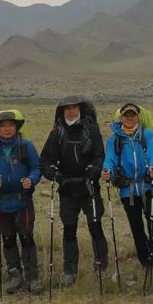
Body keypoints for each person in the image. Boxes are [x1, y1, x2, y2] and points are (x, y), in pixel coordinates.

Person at [40, 95, 107, 287]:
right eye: (67, 108)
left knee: (95, 225)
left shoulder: (91, 130)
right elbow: (45, 159)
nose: (70, 111)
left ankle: (101, 264)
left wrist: (95, 170)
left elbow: (100, 155)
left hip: (89, 187)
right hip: (67, 188)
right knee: (69, 229)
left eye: (74, 108)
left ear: (80, 109)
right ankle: (69, 270)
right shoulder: (57, 133)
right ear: (62, 111)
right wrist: (53, 173)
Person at [0, 110, 43, 295]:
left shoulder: (26, 146)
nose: (7, 129)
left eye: (11, 125)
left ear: (16, 127)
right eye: (3, 126)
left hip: (23, 201)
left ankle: (32, 277)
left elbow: (36, 167)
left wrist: (32, 179)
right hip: (1, 203)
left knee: (27, 238)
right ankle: (15, 275)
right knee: (8, 239)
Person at [101, 103, 153, 276]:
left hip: (149, 187)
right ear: (120, 118)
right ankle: (146, 263)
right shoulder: (114, 139)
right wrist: (107, 170)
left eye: (133, 115)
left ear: (138, 117)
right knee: (136, 228)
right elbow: (110, 159)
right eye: (126, 115)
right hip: (127, 190)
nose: (130, 118)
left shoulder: (147, 135)